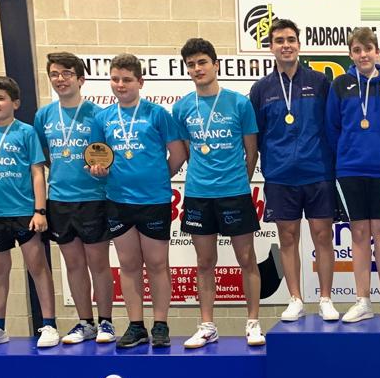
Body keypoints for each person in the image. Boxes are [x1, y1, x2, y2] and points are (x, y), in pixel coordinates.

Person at [89, 54, 188, 348]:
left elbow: (178, 154)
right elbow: (95, 157)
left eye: (127, 80)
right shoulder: (102, 118)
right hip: (118, 200)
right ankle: (135, 326)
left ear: (140, 82)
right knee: (129, 264)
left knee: (157, 264)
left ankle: (160, 325)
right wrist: (97, 170)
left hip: (154, 201)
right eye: (115, 79)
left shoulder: (157, 114)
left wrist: (157, 178)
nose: (120, 85)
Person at [172, 38, 265, 348]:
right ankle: (207, 325)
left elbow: (251, 151)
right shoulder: (182, 107)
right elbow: (187, 151)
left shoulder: (239, 103)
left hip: (234, 193)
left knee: (247, 258)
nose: (197, 69)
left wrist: (239, 182)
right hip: (199, 194)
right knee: (204, 262)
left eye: (202, 62)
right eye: (191, 64)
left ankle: (253, 323)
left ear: (215, 65)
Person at [250, 19, 338, 322]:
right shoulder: (261, 89)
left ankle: (325, 298)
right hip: (280, 175)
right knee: (287, 238)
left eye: (290, 39)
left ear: (299, 45)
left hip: (318, 171)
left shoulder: (320, 82)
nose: (285, 45)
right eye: (279, 40)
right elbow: (256, 135)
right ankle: (296, 298)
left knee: (323, 236)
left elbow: (332, 125)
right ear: (271, 47)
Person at [0, 77, 59, 349]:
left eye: (0, 98)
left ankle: (49, 325)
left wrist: (39, 210)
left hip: (23, 212)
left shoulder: (26, 133)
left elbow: (37, 172)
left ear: (15, 103)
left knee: (37, 266)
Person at [326, 27, 380, 323]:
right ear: (351, 54)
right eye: (357, 50)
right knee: (359, 234)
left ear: (377, 51)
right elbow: (332, 129)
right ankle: (362, 301)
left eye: (368, 49)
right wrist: (347, 154)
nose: (363, 55)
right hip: (350, 169)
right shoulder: (340, 85)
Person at [34, 52, 115, 345]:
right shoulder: (43, 115)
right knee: (73, 264)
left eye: (67, 73)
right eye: (55, 74)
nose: (60, 79)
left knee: (98, 264)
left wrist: (101, 170)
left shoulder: (98, 114)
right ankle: (85, 323)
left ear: (80, 79)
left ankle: (106, 322)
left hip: (93, 198)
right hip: (59, 200)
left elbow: (108, 156)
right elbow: (43, 156)